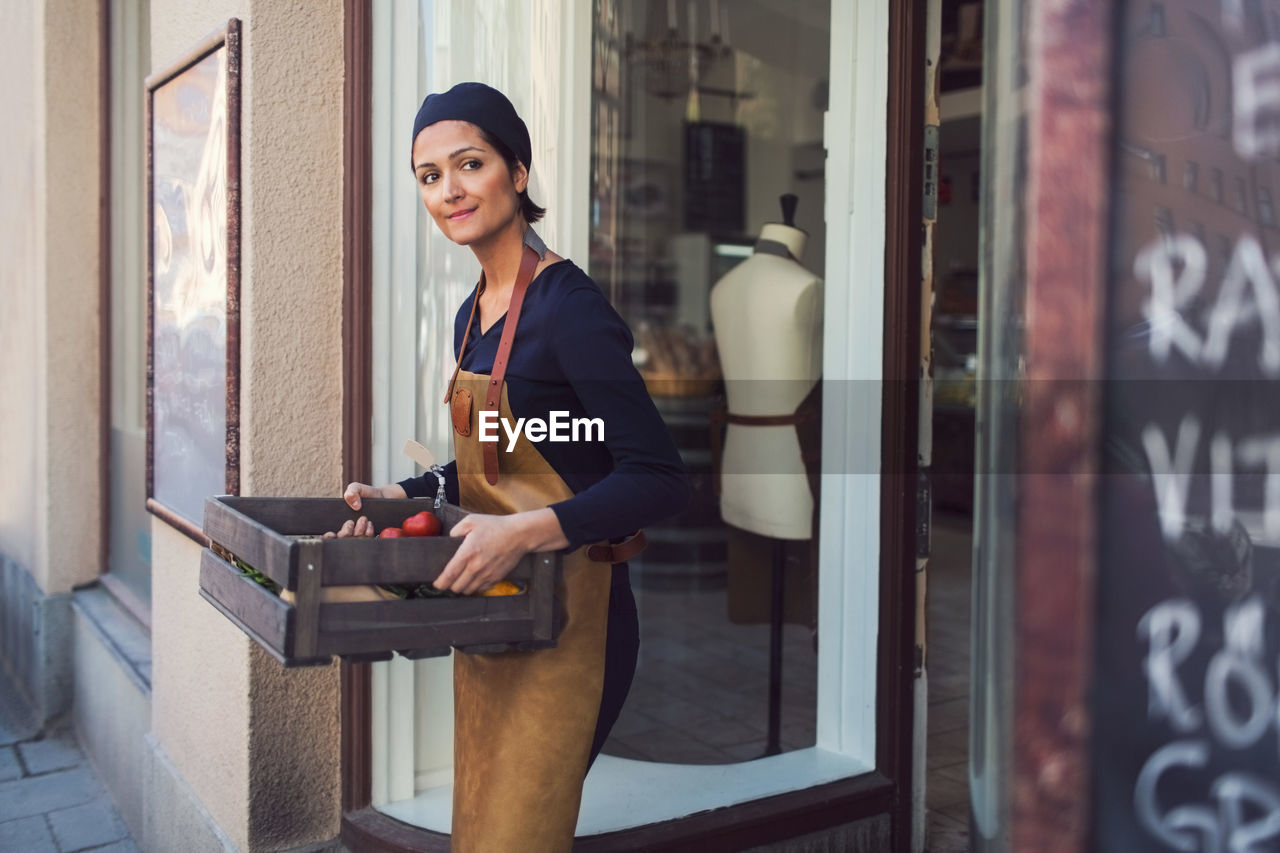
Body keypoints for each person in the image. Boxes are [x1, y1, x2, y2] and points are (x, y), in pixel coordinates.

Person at [334, 81, 691, 852]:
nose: (449, 190)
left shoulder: (570, 310)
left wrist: (527, 531)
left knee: (519, 836)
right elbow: (487, 463)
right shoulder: (474, 314)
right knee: (483, 826)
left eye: (469, 163)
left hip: (575, 624)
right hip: (496, 616)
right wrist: (404, 495)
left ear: (518, 173)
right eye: (429, 176)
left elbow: (659, 475)